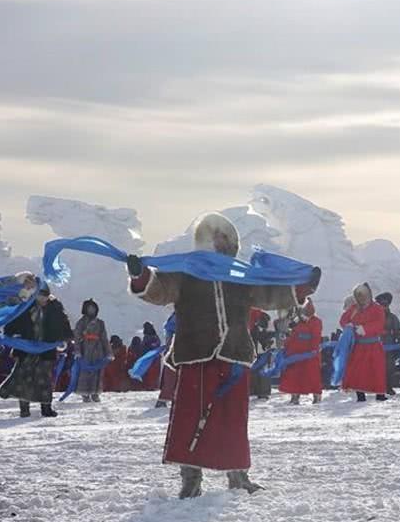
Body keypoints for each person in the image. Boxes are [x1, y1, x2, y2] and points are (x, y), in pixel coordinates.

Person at [128, 213, 318, 497]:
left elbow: (268, 294)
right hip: (195, 354)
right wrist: (140, 276)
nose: (218, 241)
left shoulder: (240, 275)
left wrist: (301, 287)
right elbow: (159, 291)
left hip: (234, 354)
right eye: (213, 236)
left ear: (232, 242)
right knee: (189, 419)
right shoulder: (186, 273)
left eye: (224, 237)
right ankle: (190, 480)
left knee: (233, 419)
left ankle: (238, 476)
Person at [0, 286, 73, 418]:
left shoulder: (55, 308)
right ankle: (24, 409)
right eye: (39, 295)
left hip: (46, 350)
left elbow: (64, 325)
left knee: (44, 380)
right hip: (26, 348)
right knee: (23, 378)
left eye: (44, 296)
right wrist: (13, 335)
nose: (42, 299)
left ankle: (46, 408)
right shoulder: (25, 307)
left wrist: (64, 338)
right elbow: (12, 323)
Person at [340, 283, 389, 402]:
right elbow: (344, 319)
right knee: (359, 370)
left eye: (363, 295)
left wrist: (365, 329)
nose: (361, 298)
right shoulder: (354, 308)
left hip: (373, 345)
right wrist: (348, 326)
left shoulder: (377, 308)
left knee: (376, 370)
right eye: (358, 296)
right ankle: (360, 394)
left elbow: (379, 324)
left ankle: (380, 394)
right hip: (359, 345)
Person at [281, 299, 324, 404]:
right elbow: (292, 336)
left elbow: (316, 337)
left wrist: (313, 350)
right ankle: (295, 396)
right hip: (295, 353)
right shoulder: (296, 322)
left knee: (313, 375)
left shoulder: (316, 322)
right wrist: (286, 345)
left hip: (310, 353)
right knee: (295, 375)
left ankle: (317, 396)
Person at [73, 299, 112, 402]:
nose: (91, 310)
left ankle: (95, 393)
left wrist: (108, 352)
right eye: (89, 308)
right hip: (85, 349)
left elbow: (104, 338)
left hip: (98, 349)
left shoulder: (100, 323)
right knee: (85, 371)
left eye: (93, 308)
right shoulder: (81, 323)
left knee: (97, 371)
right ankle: (85, 393)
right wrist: (77, 351)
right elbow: (76, 337)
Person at [375, 292, 400, 396]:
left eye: (385, 305)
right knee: (377, 368)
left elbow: (398, 331)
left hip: (390, 346)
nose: (384, 307)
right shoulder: (373, 317)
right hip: (375, 346)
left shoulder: (393, 318)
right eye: (381, 305)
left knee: (389, 368)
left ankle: (388, 387)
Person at [249, 309, 275, 400]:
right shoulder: (257, 315)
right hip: (257, 350)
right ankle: (260, 391)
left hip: (259, 350)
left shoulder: (258, 316)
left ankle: (259, 391)